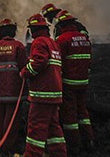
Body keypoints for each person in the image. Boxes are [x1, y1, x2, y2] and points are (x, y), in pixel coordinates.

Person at [20, 14, 66, 157]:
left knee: (36, 129)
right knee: (54, 130)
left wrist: (25, 72)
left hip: (42, 94)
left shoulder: (39, 42)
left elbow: (39, 61)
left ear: (34, 29)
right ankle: (59, 154)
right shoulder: (53, 43)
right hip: (54, 94)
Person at [0, 19, 28, 155]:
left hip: (0, 90)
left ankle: (1, 143)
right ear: (13, 32)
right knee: (12, 121)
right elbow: (25, 67)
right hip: (15, 90)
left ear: (0, 32)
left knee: (1, 117)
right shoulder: (19, 46)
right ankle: (8, 148)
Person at [54, 10, 94, 155]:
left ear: (61, 25)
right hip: (83, 81)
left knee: (69, 114)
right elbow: (88, 60)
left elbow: (58, 62)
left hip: (69, 83)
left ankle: (74, 145)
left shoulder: (62, 40)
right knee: (82, 111)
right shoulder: (84, 38)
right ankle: (89, 140)